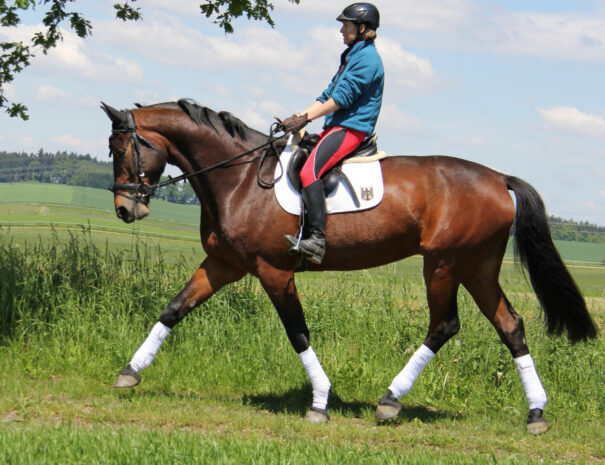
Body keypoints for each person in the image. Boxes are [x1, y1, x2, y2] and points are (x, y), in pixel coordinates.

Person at [281, 3, 384, 265]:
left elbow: (340, 98)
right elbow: (327, 94)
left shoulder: (368, 59)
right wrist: (298, 117)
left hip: (352, 129)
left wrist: (305, 118)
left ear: (361, 28)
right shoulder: (352, 55)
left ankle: (316, 241)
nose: (341, 30)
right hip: (336, 126)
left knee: (308, 172)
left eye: (345, 25)